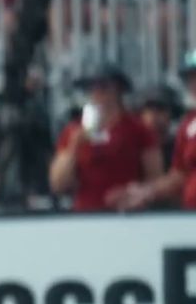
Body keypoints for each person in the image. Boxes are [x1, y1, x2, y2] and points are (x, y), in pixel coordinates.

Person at [49, 66, 163, 212]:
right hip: (85, 213)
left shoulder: (138, 129)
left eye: (103, 87)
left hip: (127, 213)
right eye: (92, 88)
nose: (97, 93)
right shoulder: (74, 131)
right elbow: (57, 184)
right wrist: (74, 147)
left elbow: (154, 178)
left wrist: (135, 194)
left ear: (118, 90)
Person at [123, 51, 196, 211]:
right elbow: (179, 174)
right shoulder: (189, 124)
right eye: (191, 78)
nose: (193, 84)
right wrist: (146, 192)